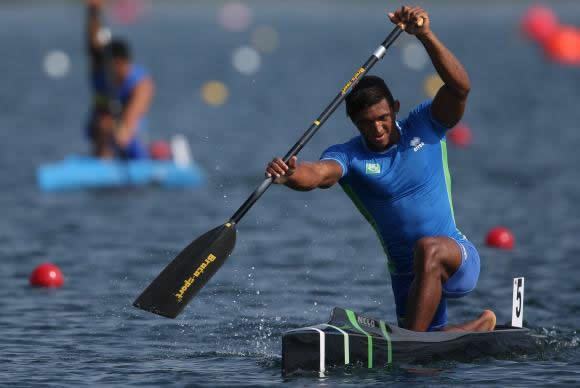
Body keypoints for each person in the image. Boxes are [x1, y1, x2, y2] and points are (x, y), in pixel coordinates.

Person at [266, 6, 496, 332]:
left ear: (395, 109)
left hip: (455, 255)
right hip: (406, 275)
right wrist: (289, 174)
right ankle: (479, 325)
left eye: (382, 118)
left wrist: (425, 36)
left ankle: (411, 342)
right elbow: (317, 174)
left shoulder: (425, 125)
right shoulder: (348, 156)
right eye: (366, 123)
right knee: (427, 353)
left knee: (428, 249)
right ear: (354, 123)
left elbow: (460, 88)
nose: (376, 129)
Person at [85, 0, 154, 159]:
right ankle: (102, 158)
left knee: (114, 129)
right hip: (100, 129)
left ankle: (141, 157)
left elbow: (134, 113)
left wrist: (124, 131)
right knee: (102, 124)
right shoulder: (101, 70)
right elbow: (92, 43)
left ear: (123, 62)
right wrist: (93, 12)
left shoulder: (141, 83)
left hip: (130, 132)